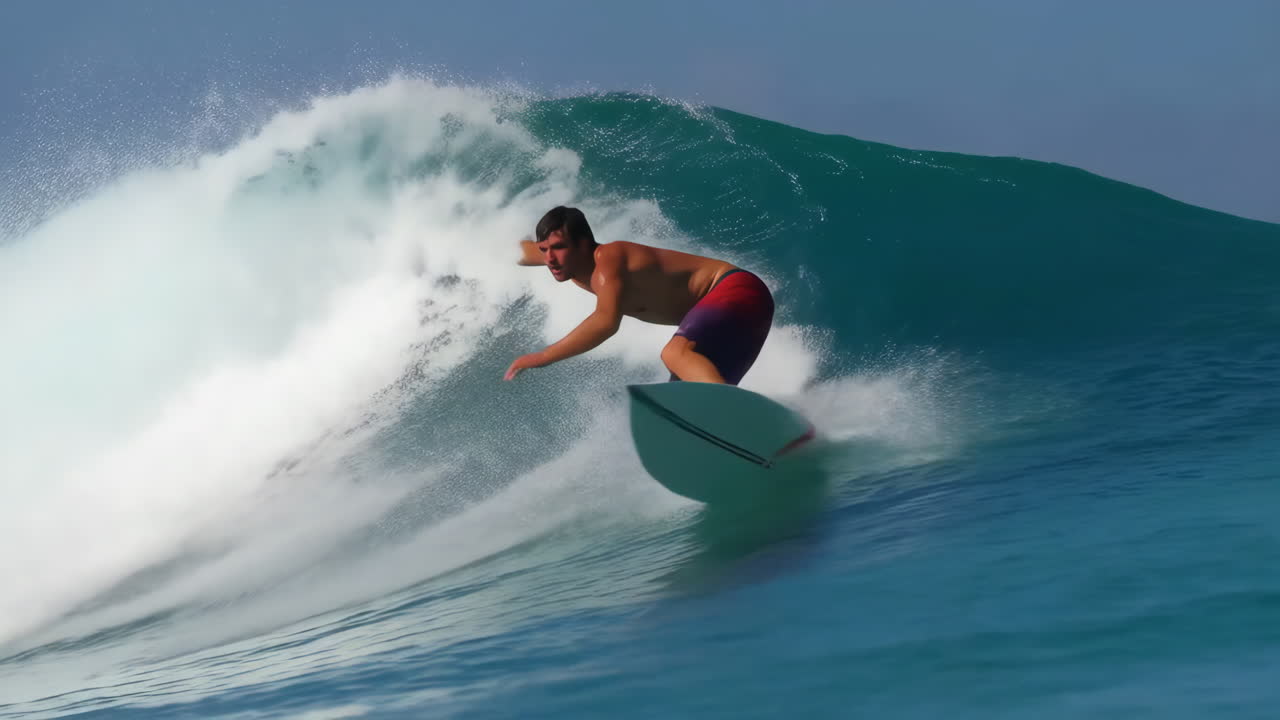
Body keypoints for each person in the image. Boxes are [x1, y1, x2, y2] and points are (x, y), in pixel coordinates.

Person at [505, 206, 774, 385]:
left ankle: (738, 419)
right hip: (733, 325)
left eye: (559, 247)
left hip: (736, 290)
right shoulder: (564, 261)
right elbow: (512, 249)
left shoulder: (610, 258)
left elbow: (605, 322)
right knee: (686, 406)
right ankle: (768, 449)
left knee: (674, 353)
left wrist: (539, 358)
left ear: (584, 244)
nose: (549, 258)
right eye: (544, 250)